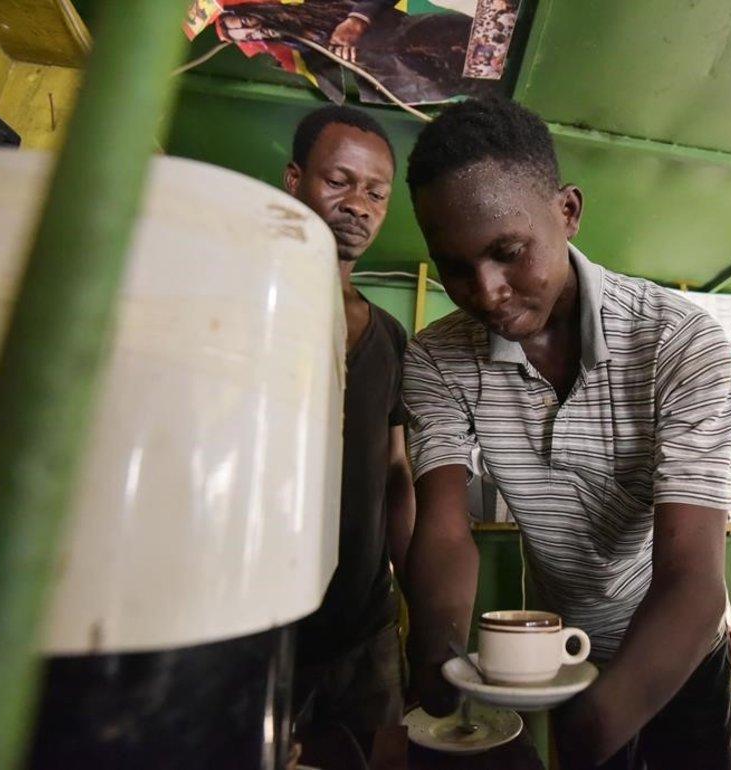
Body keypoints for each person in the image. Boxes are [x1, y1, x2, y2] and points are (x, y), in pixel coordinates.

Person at [400, 98, 731, 769]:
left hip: (678, 647)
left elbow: (692, 580)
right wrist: (439, 657)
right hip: (556, 649)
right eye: (456, 267)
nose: (487, 290)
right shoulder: (437, 358)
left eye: (508, 252)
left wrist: (586, 734)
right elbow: (443, 529)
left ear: (568, 211)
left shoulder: (679, 342)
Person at [283, 105, 415, 762]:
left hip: (365, 632)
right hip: (260, 634)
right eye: (339, 181)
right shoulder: (250, 301)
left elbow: (396, 470)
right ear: (295, 179)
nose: (357, 204)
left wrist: (404, 595)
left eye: (376, 192)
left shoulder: (390, 337)